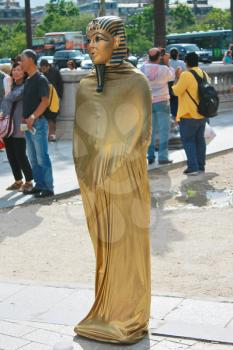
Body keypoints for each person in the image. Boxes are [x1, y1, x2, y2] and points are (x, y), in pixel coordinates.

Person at [73, 16, 152, 343]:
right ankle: (106, 312)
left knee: (128, 247)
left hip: (126, 180)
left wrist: (111, 159)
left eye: (99, 39)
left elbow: (140, 134)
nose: (91, 46)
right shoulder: (85, 85)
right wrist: (89, 173)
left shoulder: (136, 83)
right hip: (96, 184)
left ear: (117, 42)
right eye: (89, 39)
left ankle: (130, 316)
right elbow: (81, 136)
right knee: (105, 247)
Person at [21, 49, 54, 198]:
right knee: (33, 157)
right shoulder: (28, 80)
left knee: (42, 157)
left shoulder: (41, 79)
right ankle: (39, 184)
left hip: (38, 123)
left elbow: (45, 102)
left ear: (31, 60)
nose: (20, 63)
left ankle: (48, 187)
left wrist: (33, 116)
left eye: (22, 59)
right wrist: (25, 118)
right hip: (28, 125)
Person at [0, 62, 33, 192]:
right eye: (14, 70)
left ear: (24, 72)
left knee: (20, 154)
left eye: (19, 70)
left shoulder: (25, 86)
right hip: (7, 125)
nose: (15, 72)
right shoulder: (10, 85)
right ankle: (18, 180)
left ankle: (29, 181)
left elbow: (11, 98)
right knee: (11, 154)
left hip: (21, 124)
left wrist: (7, 88)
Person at [172, 52, 207, 175]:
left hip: (188, 115)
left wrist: (177, 77)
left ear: (186, 62)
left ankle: (193, 167)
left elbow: (176, 91)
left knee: (188, 141)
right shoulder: (203, 73)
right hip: (202, 114)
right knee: (200, 140)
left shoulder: (186, 75)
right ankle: (201, 165)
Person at [140, 47, 175, 165]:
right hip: (162, 101)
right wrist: (166, 61)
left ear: (148, 57)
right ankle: (163, 156)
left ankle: (150, 156)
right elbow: (172, 76)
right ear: (160, 57)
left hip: (148, 101)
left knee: (150, 130)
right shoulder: (164, 69)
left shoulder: (143, 68)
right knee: (164, 130)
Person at [40, 59, 63, 142]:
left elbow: (60, 85)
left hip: (54, 98)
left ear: (47, 66)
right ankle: (47, 135)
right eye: (41, 69)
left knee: (52, 117)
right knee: (44, 117)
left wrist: (60, 96)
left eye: (43, 68)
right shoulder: (40, 73)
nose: (42, 70)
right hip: (44, 99)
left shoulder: (55, 72)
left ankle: (52, 135)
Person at [169, 47, 186, 119]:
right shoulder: (182, 63)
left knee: (172, 102)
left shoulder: (168, 63)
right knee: (178, 101)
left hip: (169, 84)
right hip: (179, 84)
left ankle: (173, 116)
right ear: (178, 54)